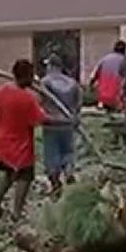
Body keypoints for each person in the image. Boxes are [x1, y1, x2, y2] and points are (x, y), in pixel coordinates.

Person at [0, 59, 48, 220]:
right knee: (25, 178)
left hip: (4, 141)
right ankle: (16, 213)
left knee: (8, 174)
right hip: (20, 145)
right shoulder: (27, 99)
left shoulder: (3, 90)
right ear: (27, 77)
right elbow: (41, 119)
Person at [39, 55, 81, 195]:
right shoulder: (73, 83)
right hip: (68, 123)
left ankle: (55, 182)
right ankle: (69, 171)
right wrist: (74, 116)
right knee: (67, 151)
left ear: (50, 66)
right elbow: (78, 103)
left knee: (52, 153)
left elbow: (39, 102)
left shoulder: (45, 82)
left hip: (51, 123)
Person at [91, 41, 126, 111]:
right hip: (117, 98)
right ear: (124, 50)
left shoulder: (105, 58)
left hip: (102, 97)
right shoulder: (125, 61)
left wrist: (92, 88)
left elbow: (93, 76)